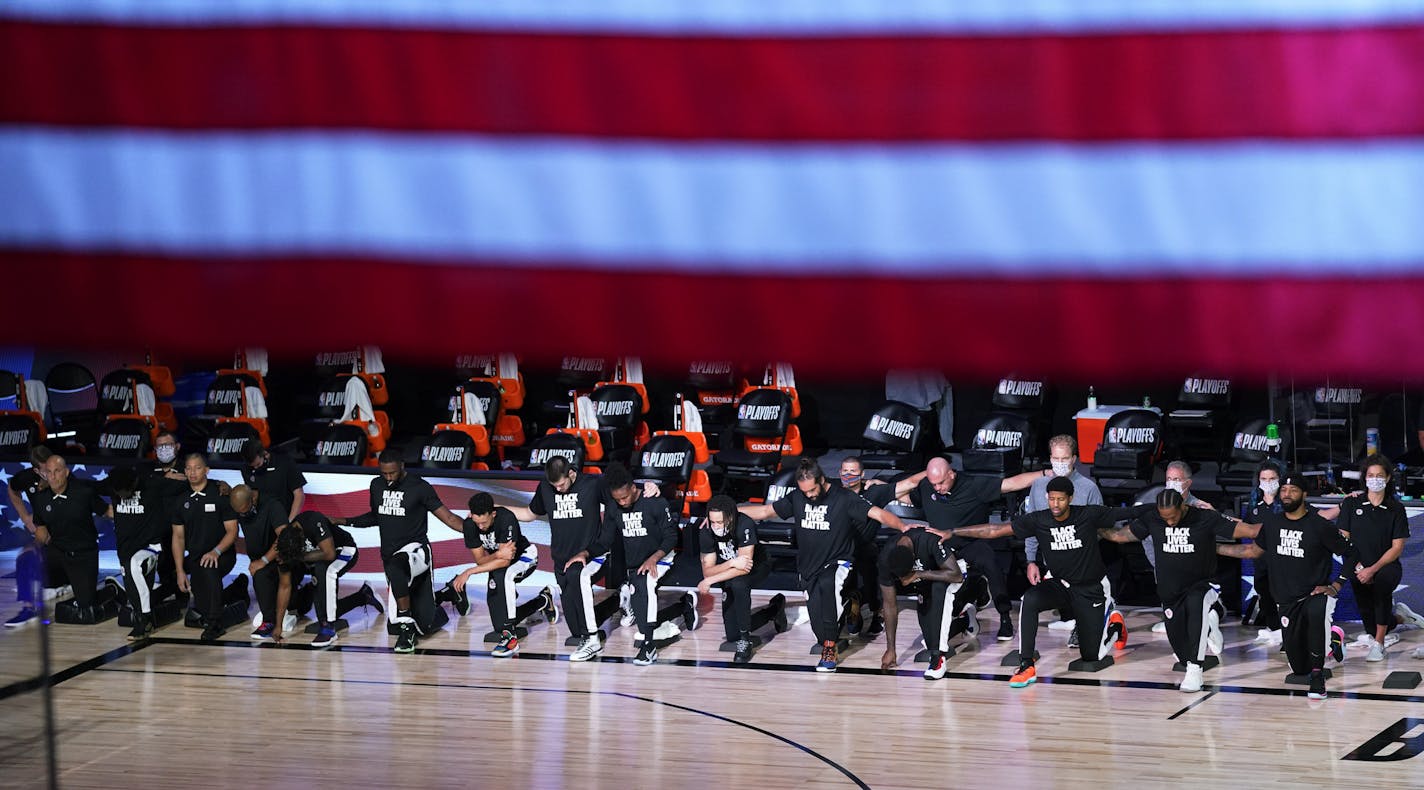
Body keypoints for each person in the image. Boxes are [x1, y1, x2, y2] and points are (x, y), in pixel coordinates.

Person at [947, 477, 1131, 689]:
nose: (1055, 504)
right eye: (1052, 499)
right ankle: (1026, 665)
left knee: (1092, 655)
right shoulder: (1040, 519)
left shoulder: (1087, 514)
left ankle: (1115, 624)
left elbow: (1126, 513)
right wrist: (952, 532)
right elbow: (994, 530)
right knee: (1030, 598)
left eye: (1060, 499)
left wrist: (1160, 508)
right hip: (1061, 584)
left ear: (1069, 499)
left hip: (1092, 589)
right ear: (1047, 498)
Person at [740, 457, 906, 672]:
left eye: (812, 491)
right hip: (809, 565)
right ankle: (847, 607)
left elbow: (878, 513)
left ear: (822, 479)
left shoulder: (843, 498)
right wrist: (728, 512)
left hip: (838, 561)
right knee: (820, 625)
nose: (808, 495)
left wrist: (904, 527)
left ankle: (830, 649)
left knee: (829, 588)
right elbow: (764, 512)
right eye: (804, 492)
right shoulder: (798, 496)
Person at [1098, 489, 1261, 692]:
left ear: (1183, 507)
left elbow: (1251, 531)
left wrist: (1282, 526)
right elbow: (1121, 536)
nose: (1169, 523)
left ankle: (1195, 671)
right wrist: (1095, 529)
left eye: (1173, 517)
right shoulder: (1153, 518)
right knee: (1180, 651)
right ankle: (1208, 628)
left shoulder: (1205, 517)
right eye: (1164, 518)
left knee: (1196, 603)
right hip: (1170, 590)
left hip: (1202, 584)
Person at [1216, 471, 1359, 700]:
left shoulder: (1319, 525)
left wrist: (1336, 585)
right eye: (1283, 490)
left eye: (1293, 490)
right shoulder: (1272, 524)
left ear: (1304, 494)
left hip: (1315, 593)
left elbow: (1352, 554)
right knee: (1297, 667)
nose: (1287, 494)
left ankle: (1317, 677)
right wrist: (1215, 549)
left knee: (1316, 620)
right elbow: (1252, 551)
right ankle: (1333, 640)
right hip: (1285, 599)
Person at [505, 455, 639, 662]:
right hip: (561, 560)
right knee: (576, 629)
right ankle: (618, 600)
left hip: (592, 555)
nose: (558, 489)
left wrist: (646, 488)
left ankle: (592, 641)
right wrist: (498, 510)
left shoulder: (592, 484)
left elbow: (622, 489)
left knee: (579, 584)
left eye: (561, 484)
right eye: (554, 486)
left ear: (572, 473)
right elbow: (528, 514)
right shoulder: (546, 488)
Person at [334, 449, 467, 653]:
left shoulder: (420, 487)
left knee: (421, 625)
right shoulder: (376, 485)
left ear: (402, 466)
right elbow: (376, 517)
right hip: (389, 554)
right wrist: (343, 521)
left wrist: (475, 531)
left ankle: (409, 631)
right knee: (393, 625)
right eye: (384, 473)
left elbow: (449, 518)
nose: (388, 478)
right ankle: (448, 593)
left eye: (392, 473)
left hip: (417, 553)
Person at [907, 456, 1047, 642]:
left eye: (941, 483)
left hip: (970, 543)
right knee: (927, 576)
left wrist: (1045, 473)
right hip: (941, 547)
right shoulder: (926, 486)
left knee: (989, 560)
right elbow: (907, 496)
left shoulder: (973, 485)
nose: (937, 488)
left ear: (951, 473)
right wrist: (881, 487)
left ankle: (1004, 617)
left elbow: (1012, 484)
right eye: (933, 484)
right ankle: (965, 606)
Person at [436, 492, 556, 658]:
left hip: (525, 557)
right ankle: (543, 600)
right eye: (477, 522)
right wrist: (497, 555)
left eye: (484, 523)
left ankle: (510, 638)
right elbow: (480, 560)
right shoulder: (471, 525)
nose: (481, 527)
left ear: (493, 513)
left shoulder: (506, 519)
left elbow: (505, 561)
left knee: (503, 577)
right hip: (498, 562)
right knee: (499, 620)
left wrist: (469, 572)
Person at [602, 463, 693, 666]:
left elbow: (672, 537)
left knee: (644, 585)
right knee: (638, 591)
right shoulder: (613, 506)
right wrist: (586, 553)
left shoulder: (655, 502)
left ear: (634, 488)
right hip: (634, 564)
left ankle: (648, 645)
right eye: (618, 499)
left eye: (625, 497)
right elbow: (605, 539)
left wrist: (654, 558)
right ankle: (683, 606)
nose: (622, 502)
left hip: (662, 558)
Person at [878, 527, 988, 680]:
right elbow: (889, 604)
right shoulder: (886, 557)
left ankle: (938, 659)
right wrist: (891, 649)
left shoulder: (929, 540)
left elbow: (955, 575)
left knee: (938, 590)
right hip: (927, 582)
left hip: (958, 575)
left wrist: (918, 574)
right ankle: (966, 621)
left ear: (913, 556)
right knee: (931, 638)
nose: (903, 581)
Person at [1022, 435, 1103, 635]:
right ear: (1050, 458)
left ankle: (1087, 621)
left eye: (1064, 459)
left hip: (1081, 562)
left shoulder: (1088, 488)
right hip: (1052, 560)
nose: (1060, 464)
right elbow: (1030, 526)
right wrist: (1031, 560)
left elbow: (1100, 529)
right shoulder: (1038, 486)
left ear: (1074, 459)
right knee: (1032, 600)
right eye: (1056, 459)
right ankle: (1069, 617)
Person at [29, 455, 125, 624]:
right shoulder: (41, 498)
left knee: (86, 604)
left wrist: (131, 515)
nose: (53, 476)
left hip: (83, 553)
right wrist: (32, 549)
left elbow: (107, 511)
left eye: (57, 471)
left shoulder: (83, 492)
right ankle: (29, 607)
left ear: (66, 472)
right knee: (27, 562)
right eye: (49, 472)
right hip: (58, 551)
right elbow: (41, 528)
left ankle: (112, 590)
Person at [837, 456, 924, 636]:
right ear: (839, 473)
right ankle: (852, 608)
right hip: (840, 548)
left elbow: (910, 482)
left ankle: (878, 611)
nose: (848, 475)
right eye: (845, 471)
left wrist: (932, 468)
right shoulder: (832, 492)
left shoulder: (874, 492)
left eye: (853, 472)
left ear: (862, 474)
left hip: (865, 547)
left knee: (872, 564)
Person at [698, 495, 787, 664]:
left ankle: (745, 641)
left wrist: (711, 580)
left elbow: (744, 568)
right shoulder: (706, 530)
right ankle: (774, 610)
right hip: (730, 567)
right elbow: (708, 572)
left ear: (731, 517)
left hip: (758, 566)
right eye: (713, 522)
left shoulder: (744, 524)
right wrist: (731, 562)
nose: (716, 526)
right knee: (732, 634)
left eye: (720, 522)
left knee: (739, 584)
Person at [271, 510, 380, 648]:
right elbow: (284, 587)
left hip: (344, 549)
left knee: (324, 571)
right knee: (326, 603)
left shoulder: (312, 521)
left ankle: (328, 628)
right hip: (316, 558)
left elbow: (329, 553)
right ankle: (363, 596)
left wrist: (301, 557)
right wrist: (278, 625)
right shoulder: (285, 548)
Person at [1338, 456, 1411, 662]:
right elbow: (1342, 539)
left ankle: (1379, 645)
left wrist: (1372, 569)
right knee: (1372, 623)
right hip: (1356, 567)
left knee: (1381, 589)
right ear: (1364, 478)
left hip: (1386, 567)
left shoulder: (1396, 508)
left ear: (1388, 478)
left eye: (1380, 475)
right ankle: (1398, 618)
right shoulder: (1352, 503)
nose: (1375, 479)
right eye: (1371, 475)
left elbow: (1397, 547)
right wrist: (1360, 567)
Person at [171, 453, 247, 642]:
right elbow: (178, 537)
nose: (192, 472)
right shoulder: (180, 500)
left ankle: (215, 626)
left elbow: (232, 531)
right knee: (203, 607)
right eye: (188, 468)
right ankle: (238, 589)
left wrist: (216, 551)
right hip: (196, 557)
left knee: (209, 569)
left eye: (197, 468)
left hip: (223, 554)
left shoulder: (221, 493)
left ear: (206, 470)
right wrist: (180, 571)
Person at [107, 465, 170, 640]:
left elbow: (183, 485)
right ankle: (139, 602)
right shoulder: (112, 485)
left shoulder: (152, 484)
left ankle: (145, 619)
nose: (121, 497)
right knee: (134, 583)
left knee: (133, 566)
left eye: (125, 492)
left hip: (151, 545)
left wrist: (217, 484)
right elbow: (88, 487)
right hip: (126, 548)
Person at [228, 485, 290, 640]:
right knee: (259, 575)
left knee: (290, 596)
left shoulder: (273, 506)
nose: (243, 514)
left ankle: (303, 596)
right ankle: (268, 621)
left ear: (253, 499)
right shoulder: (239, 502)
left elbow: (284, 536)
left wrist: (264, 560)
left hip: (280, 557)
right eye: (239, 512)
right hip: (259, 561)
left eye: (245, 509)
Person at [4, 446, 52, 628]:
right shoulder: (27, 478)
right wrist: (25, 517)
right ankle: (28, 608)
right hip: (44, 532)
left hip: (68, 535)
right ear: (36, 470)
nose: (50, 473)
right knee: (25, 558)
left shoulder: (64, 477)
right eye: (45, 469)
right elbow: (12, 489)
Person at [1242, 460, 1286, 645]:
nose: (1268, 482)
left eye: (1272, 478)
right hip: (1261, 562)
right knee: (1264, 593)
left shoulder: (1286, 503)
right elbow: (1245, 527)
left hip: (1283, 562)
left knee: (1283, 597)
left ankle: (1287, 631)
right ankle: (1274, 629)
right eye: (1264, 479)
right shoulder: (1254, 505)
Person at [143, 431, 188, 602]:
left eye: (167, 446)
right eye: (160, 446)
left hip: (183, 527)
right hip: (156, 528)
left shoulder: (187, 467)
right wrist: (165, 478)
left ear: (177, 447)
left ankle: (181, 586)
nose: (163, 450)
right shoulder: (147, 469)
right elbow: (144, 484)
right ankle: (168, 589)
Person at [240, 439, 307, 522]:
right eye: (252, 466)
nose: (255, 468)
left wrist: (290, 523)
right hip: (263, 521)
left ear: (265, 454)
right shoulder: (246, 469)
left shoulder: (285, 463)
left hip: (285, 518)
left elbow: (299, 495)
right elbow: (253, 494)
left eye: (258, 464)